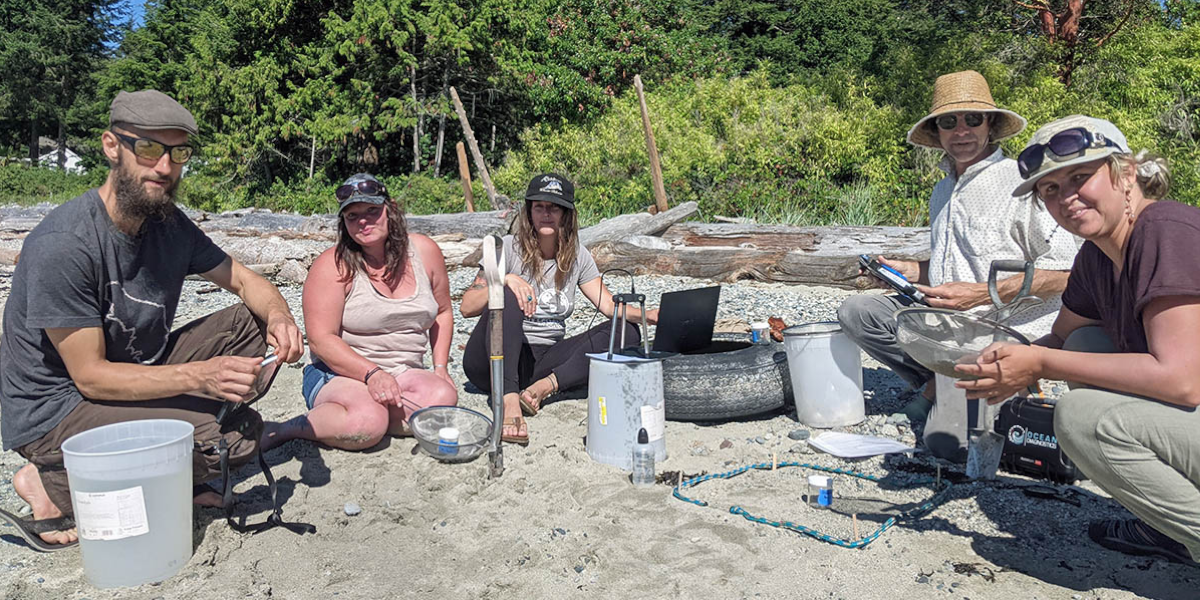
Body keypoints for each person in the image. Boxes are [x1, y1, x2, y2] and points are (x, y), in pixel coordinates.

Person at [0, 90, 305, 551]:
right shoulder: (65, 243)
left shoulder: (167, 223)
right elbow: (91, 378)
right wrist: (201, 378)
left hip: (136, 366)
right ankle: (51, 482)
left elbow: (244, 281)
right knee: (228, 440)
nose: (164, 166)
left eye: (178, 152)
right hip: (56, 410)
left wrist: (280, 317)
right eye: (148, 148)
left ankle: (174, 449)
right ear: (111, 146)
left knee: (252, 322)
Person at [957, 115, 1199, 565]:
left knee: (1080, 418)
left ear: (1125, 173)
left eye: (1080, 177)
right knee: (1085, 342)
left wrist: (1042, 365)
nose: (1066, 198)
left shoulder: (1167, 230)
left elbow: (1182, 379)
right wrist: (1000, 364)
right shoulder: (1097, 256)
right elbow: (1061, 338)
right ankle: (1168, 529)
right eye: (1050, 189)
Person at [836, 70, 1080, 460]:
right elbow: (953, 266)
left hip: (1007, 331)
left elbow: (1070, 275)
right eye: (949, 121)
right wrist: (905, 271)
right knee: (858, 311)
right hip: (950, 325)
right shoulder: (943, 189)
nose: (961, 130)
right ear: (937, 132)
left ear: (991, 125)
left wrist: (984, 294)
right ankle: (938, 379)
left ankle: (989, 385)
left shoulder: (1023, 183)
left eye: (973, 119)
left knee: (947, 446)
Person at [261, 174, 458, 452]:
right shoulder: (333, 265)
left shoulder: (425, 251)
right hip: (338, 373)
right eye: (352, 216)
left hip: (403, 371)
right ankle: (287, 429)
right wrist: (372, 374)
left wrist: (440, 368)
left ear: (390, 210)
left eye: (372, 211)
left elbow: (443, 311)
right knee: (367, 424)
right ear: (344, 223)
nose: (363, 221)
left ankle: (365, 414)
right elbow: (320, 340)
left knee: (443, 396)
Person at [460, 174, 658, 444]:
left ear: (566, 214)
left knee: (627, 333)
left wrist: (649, 315)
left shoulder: (578, 255)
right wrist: (503, 279)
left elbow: (609, 305)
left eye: (554, 207)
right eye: (539, 206)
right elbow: (467, 307)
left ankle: (542, 388)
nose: (546, 214)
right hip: (491, 360)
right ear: (529, 211)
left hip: (541, 362)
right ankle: (509, 402)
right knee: (506, 295)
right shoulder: (505, 249)